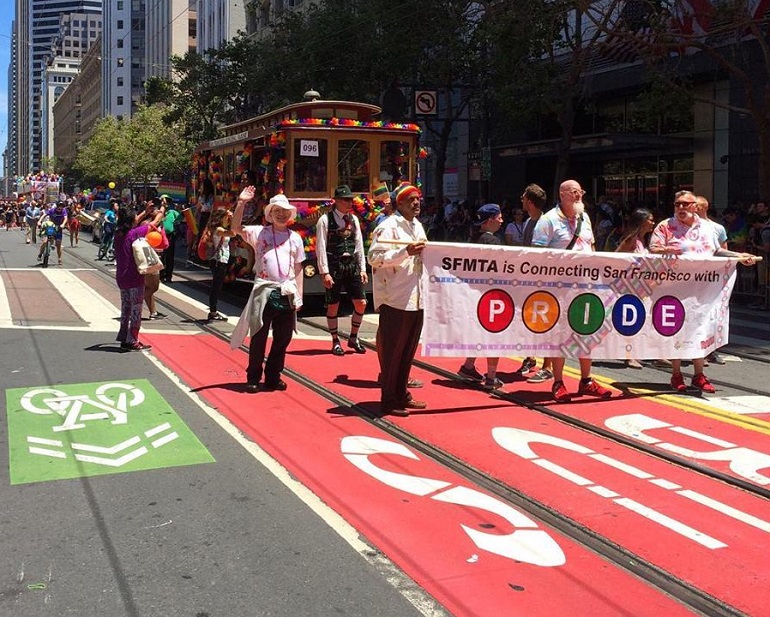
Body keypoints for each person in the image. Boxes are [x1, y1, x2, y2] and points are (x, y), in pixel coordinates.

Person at [649, 190, 758, 393]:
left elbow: (716, 251)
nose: (681, 208)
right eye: (677, 204)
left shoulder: (707, 227)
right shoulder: (665, 226)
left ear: (695, 206)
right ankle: (676, 374)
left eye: (685, 204)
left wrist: (739, 255)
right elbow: (653, 249)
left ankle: (699, 375)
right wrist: (669, 250)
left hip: (702, 289)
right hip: (674, 288)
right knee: (677, 329)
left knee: (699, 327)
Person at [531, 179, 613, 402]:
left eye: (581, 192)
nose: (579, 196)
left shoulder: (584, 217)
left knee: (587, 332)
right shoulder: (548, 220)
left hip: (587, 287)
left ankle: (586, 380)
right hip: (560, 290)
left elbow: (592, 247)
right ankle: (558, 381)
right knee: (561, 336)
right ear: (562, 194)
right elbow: (536, 254)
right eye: (574, 192)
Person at [231, 187, 304, 393]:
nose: (281, 214)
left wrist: (299, 296)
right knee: (259, 336)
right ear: (270, 214)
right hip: (263, 291)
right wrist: (242, 202)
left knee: (283, 338)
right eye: (277, 211)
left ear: (290, 214)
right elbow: (236, 227)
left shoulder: (295, 238)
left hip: (287, 292)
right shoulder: (258, 232)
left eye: (285, 211)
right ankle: (253, 377)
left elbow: (298, 268)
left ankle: (273, 376)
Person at [368, 182, 428, 417]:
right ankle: (389, 399)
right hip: (396, 297)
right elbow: (374, 257)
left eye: (418, 199)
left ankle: (402, 394)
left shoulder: (418, 226)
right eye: (411, 199)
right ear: (399, 203)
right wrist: (405, 252)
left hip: (417, 297)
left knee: (407, 350)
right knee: (393, 351)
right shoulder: (388, 226)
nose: (416, 203)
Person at [316, 185, 369, 355]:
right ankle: (335, 340)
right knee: (333, 305)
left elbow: (359, 244)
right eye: (346, 199)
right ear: (336, 201)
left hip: (352, 264)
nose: (349, 202)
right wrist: (324, 272)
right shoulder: (325, 220)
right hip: (334, 265)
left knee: (361, 303)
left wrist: (362, 268)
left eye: (350, 199)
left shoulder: (353, 220)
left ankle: (353, 338)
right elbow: (321, 247)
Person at [458, 203, 505, 390]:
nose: (502, 220)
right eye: (499, 217)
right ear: (491, 220)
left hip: (476, 293)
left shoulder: (474, 238)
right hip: (492, 293)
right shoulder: (492, 241)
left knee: (480, 331)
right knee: (495, 334)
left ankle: (468, 366)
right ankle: (491, 377)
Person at [516, 184, 554, 383]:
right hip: (530, 278)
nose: (521, 200)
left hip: (543, 279)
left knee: (544, 320)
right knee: (530, 319)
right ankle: (530, 357)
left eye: (523, 197)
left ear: (529, 201)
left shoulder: (545, 222)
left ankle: (545, 364)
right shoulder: (529, 221)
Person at [615, 208, 656, 369]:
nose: (653, 223)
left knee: (641, 320)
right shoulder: (631, 240)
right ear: (641, 221)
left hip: (641, 287)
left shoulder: (642, 240)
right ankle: (629, 356)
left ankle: (638, 353)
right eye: (650, 220)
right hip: (630, 287)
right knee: (631, 322)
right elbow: (617, 256)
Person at [114, 206, 154, 352]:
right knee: (136, 310)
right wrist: (161, 211)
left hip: (121, 278)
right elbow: (152, 224)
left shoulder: (118, 234)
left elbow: (134, 221)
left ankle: (124, 337)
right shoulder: (136, 233)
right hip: (134, 277)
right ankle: (132, 340)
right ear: (132, 221)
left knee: (126, 309)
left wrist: (145, 211)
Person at [136, 198, 166, 319]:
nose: (158, 210)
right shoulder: (146, 224)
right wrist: (162, 210)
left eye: (159, 208)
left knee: (148, 287)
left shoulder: (156, 223)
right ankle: (135, 301)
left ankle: (153, 312)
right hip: (148, 257)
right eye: (155, 208)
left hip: (155, 256)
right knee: (154, 287)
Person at [206, 207, 236, 322]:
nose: (227, 219)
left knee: (217, 286)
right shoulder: (218, 229)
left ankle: (213, 310)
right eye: (226, 217)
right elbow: (233, 233)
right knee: (216, 286)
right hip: (218, 260)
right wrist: (233, 219)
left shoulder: (217, 228)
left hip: (219, 260)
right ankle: (213, 312)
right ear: (222, 217)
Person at [37, 201, 68, 266]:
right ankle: (40, 254)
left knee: (58, 244)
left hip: (59, 228)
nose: (60, 208)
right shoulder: (52, 210)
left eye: (62, 206)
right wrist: (39, 221)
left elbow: (65, 218)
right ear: (57, 206)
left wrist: (63, 224)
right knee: (45, 242)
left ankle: (59, 258)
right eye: (59, 206)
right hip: (51, 226)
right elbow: (44, 215)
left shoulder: (64, 211)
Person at [160, 195, 181, 283]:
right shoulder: (159, 212)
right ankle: (161, 276)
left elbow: (181, 217)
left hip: (170, 236)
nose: (164, 203)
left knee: (169, 256)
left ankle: (168, 276)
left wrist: (181, 211)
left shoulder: (172, 212)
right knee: (161, 256)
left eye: (165, 201)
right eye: (162, 201)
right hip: (160, 236)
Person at [194, 178, 215, 259]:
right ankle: (199, 255)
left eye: (202, 185)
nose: (201, 187)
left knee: (207, 234)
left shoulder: (212, 197)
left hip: (208, 215)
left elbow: (211, 208)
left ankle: (207, 255)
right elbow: (198, 207)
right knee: (201, 234)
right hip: (202, 216)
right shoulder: (201, 197)